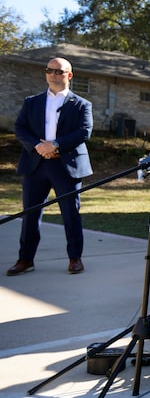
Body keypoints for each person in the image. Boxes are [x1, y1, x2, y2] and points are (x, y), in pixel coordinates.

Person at [8, 57, 93, 276]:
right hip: (36, 165)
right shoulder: (32, 102)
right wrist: (38, 146)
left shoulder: (82, 104)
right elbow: (20, 128)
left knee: (70, 214)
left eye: (59, 71)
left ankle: (75, 259)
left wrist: (56, 145)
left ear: (69, 75)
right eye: (49, 70)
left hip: (65, 165)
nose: (53, 74)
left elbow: (84, 131)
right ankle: (25, 259)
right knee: (30, 214)